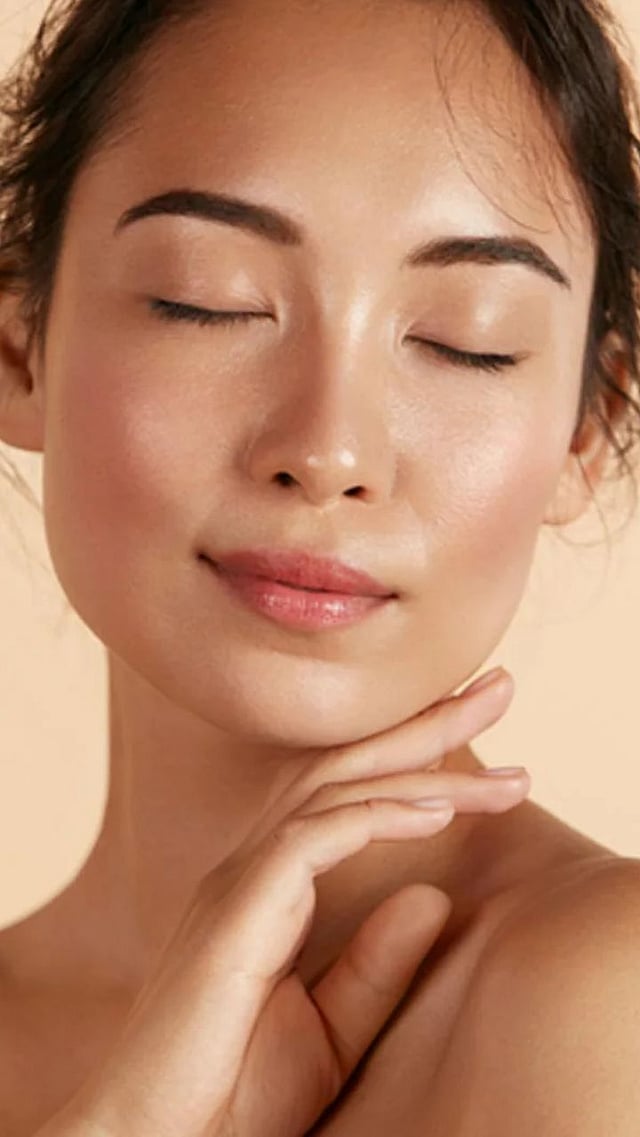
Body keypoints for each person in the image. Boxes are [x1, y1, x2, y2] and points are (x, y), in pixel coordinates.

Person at [0, 0, 640, 1133]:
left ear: (586, 434)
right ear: (18, 348)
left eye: (468, 340)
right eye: (208, 300)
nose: (329, 451)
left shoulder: (602, 1003)